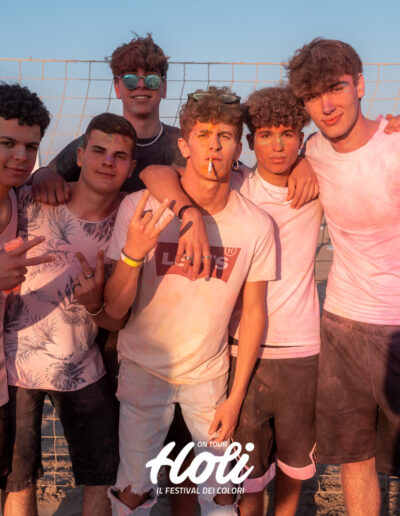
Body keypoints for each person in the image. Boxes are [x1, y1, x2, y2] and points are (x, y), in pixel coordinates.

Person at [139, 85, 322, 516]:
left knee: (293, 464)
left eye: (288, 134)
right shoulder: (237, 182)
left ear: (300, 138)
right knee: (243, 467)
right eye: (266, 135)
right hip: (238, 346)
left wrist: (309, 162)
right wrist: (189, 214)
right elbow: (155, 173)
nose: (278, 145)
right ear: (250, 142)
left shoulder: (317, 183)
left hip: (301, 347)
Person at [103, 86, 276, 516]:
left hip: (208, 377)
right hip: (143, 368)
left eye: (224, 136)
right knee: (133, 490)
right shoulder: (140, 208)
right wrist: (135, 252)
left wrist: (234, 399)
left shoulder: (255, 225)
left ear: (238, 148)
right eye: (203, 135)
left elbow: (254, 314)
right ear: (184, 145)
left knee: (220, 493)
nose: (213, 146)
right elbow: (113, 309)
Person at [1, 112, 137, 516]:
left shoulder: (129, 218)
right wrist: (42, 174)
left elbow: (116, 315)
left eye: (119, 156)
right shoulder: (30, 198)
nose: (108, 161)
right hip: (16, 370)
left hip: (83, 368)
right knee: (19, 481)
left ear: (131, 167)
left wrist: (96, 302)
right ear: (79, 156)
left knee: (102, 476)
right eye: (98, 150)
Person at [286, 37, 400, 516]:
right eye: (313, 96)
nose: (327, 106)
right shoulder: (312, 151)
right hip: (341, 325)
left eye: (336, 88)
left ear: (360, 86)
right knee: (355, 459)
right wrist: (299, 161)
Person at [31, 33, 185, 203]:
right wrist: (42, 175)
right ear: (117, 87)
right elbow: (48, 173)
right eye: (130, 80)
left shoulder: (184, 144)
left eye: (152, 79)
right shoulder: (96, 142)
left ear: (164, 87)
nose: (141, 85)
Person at [0, 82, 55, 486]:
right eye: (7, 143)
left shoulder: (18, 199)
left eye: (31, 146)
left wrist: (51, 172)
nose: (21, 156)